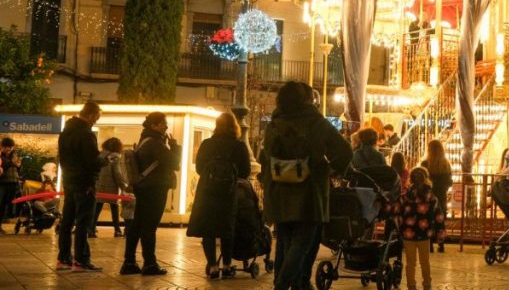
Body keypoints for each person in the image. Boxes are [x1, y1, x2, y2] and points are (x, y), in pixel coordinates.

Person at [260, 81, 352, 290]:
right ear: (307, 100)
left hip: (279, 192)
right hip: (310, 193)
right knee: (304, 241)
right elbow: (345, 151)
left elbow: (265, 156)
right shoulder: (316, 122)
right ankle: (283, 285)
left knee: (285, 240)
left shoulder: (275, 123)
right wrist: (333, 169)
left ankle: (298, 282)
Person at [187, 112, 250, 279]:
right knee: (226, 228)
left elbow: (199, 168)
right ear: (234, 126)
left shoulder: (207, 144)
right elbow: (245, 171)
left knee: (208, 229)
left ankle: (213, 267)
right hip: (229, 192)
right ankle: (227, 265)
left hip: (207, 191)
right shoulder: (239, 146)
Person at [121, 111, 181, 276]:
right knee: (149, 226)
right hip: (154, 188)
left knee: (137, 225)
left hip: (144, 187)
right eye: (163, 123)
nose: (166, 125)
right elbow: (175, 163)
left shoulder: (144, 140)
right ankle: (149, 263)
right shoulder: (155, 143)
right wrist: (175, 147)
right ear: (154, 125)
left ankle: (129, 262)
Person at [57, 101, 106, 271]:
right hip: (85, 183)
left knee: (67, 221)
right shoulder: (86, 134)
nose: (96, 121)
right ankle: (82, 260)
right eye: (97, 117)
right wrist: (106, 159)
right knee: (84, 222)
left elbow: (62, 158)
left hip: (69, 181)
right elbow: (92, 160)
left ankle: (63, 259)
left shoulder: (65, 132)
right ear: (91, 115)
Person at [400, 167, 445, 290]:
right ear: (425, 178)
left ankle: (411, 286)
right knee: (425, 262)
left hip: (408, 233)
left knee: (410, 263)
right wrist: (440, 232)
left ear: (411, 179)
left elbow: (397, 212)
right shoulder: (431, 196)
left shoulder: (405, 196)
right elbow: (439, 215)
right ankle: (427, 284)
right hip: (424, 233)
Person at [93, 137, 129, 238]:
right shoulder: (116, 157)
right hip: (111, 187)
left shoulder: (100, 155)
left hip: (98, 186)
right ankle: (117, 230)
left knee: (97, 208)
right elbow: (117, 173)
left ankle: (91, 228)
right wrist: (123, 185)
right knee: (114, 208)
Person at [421, 139, 452, 253]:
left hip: (428, 196)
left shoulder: (425, 164)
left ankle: (429, 244)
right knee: (440, 220)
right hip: (441, 196)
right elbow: (449, 182)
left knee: (428, 219)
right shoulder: (446, 164)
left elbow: (422, 181)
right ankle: (441, 244)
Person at [0, 137, 22, 232]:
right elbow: (3, 167)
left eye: (11, 147)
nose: (9, 149)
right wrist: (11, 163)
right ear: (2, 147)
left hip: (14, 182)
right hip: (3, 183)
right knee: (1, 205)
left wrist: (19, 165)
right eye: (7, 147)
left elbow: (17, 169)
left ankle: (10, 219)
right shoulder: (1, 156)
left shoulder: (14, 155)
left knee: (12, 204)